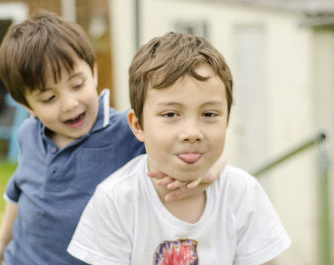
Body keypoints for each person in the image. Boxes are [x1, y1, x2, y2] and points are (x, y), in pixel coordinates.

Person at [0, 11, 223, 265]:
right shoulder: (29, 134)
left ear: (94, 72)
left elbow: (198, 148)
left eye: (77, 84)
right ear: (28, 106)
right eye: (49, 99)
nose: (70, 103)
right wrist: (1, 242)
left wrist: (207, 171)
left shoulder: (127, 131)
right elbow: (18, 193)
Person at [67, 32, 291, 265]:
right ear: (138, 125)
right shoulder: (116, 201)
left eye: (209, 114)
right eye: (171, 114)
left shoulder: (242, 193)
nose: (192, 132)